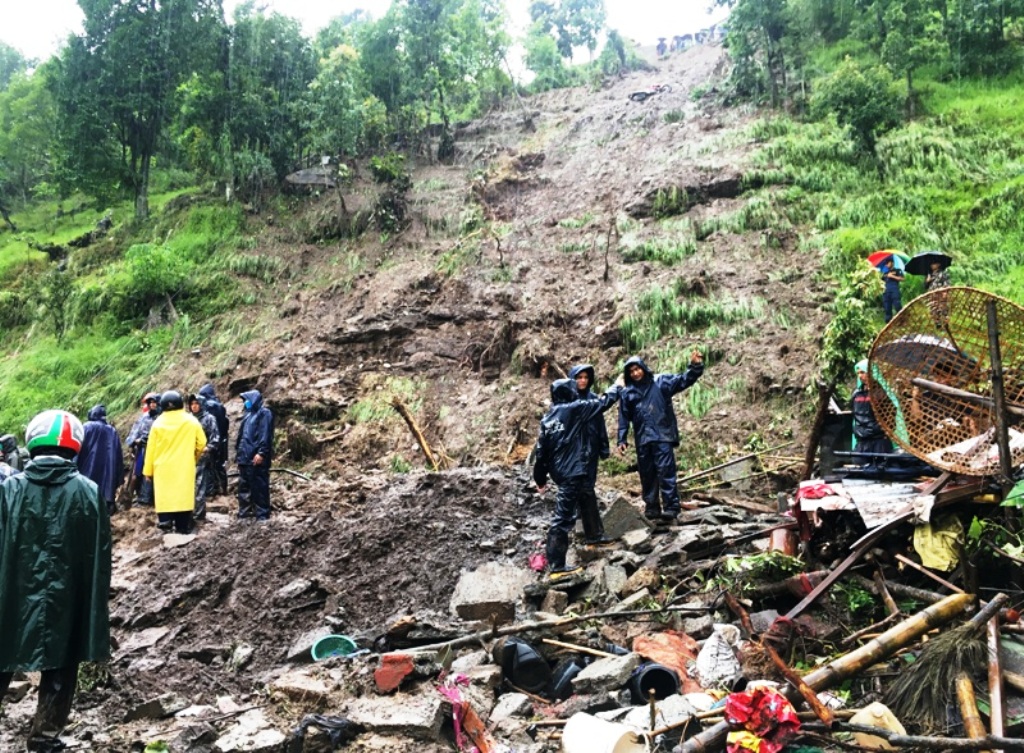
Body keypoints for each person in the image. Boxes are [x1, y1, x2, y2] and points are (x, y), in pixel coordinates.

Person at [0, 410, 111, 753]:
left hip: (11, 596)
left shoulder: (9, 490)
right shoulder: (89, 492)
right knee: (62, 662)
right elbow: (99, 556)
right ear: (74, 445)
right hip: (67, 598)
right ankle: (44, 737)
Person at [534, 378, 622, 578]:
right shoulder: (575, 408)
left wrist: (540, 479)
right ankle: (556, 566)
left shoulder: (548, 419)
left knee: (587, 496)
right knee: (563, 517)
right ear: (570, 392)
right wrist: (617, 386)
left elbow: (541, 454)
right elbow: (603, 402)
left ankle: (595, 536)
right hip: (573, 471)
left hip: (564, 471)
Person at [617, 351, 705, 522]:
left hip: (662, 435)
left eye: (637, 369)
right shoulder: (628, 393)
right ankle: (652, 507)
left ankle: (671, 507)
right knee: (647, 474)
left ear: (643, 368)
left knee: (666, 472)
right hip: (643, 439)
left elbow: (683, 380)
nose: (635, 373)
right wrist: (622, 438)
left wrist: (694, 366)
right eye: (631, 371)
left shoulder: (661, 382)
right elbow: (623, 417)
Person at [143, 391, 206, 534]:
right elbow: (202, 443)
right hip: (184, 467)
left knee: (165, 497)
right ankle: (182, 527)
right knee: (183, 497)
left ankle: (165, 522)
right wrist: (193, 458)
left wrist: (148, 471)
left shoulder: (157, 424)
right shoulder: (191, 421)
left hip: (162, 469)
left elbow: (150, 449)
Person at [568, 364, 613, 545]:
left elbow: (600, 425)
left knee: (589, 483)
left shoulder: (593, 398)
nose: (583, 381)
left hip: (591, 447)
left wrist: (604, 446)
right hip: (576, 450)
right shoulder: (569, 399)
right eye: (579, 377)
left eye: (586, 378)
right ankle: (590, 529)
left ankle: (584, 517)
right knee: (583, 487)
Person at [77, 404, 125, 515]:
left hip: (87, 472)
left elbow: (77, 449)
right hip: (108, 477)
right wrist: (119, 478)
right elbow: (118, 456)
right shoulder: (112, 431)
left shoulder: (86, 427)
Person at [236, 389, 274, 521]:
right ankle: (244, 514)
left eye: (247, 400)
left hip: (256, 458)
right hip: (245, 458)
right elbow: (241, 437)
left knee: (259, 487)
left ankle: (262, 515)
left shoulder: (264, 414)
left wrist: (261, 453)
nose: (245, 403)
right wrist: (239, 456)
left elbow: (265, 435)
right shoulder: (247, 416)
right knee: (243, 488)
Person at [852, 361, 892, 465]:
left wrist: (878, 429)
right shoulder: (857, 394)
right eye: (858, 373)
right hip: (862, 442)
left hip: (879, 442)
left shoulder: (881, 393)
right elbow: (855, 415)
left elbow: (890, 416)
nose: (860, 376)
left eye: (863, 372)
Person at [188, 393, 220, 520]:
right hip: (188, 455)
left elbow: (216, 437)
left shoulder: (209, 418)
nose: (194, 406)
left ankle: (199, 513)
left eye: (196, 404)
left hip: (203, 455)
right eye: (192, 404)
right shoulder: (188, 419)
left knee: (200, 484)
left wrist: (208, 448)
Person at [125, 392, 160, 506]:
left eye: (154, 402)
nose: (153, 405)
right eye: (151, 402)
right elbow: (135, 431)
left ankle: (148, 499)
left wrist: (145, 439)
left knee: (151, 474)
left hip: (156, 450)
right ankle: (137, 497)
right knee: (138, 474)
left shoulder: (161, 418)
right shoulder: (144, 417)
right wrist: (133, 442)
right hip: (142, 450)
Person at [198, 383, 229, 494]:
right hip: (222, 439)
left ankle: (213, 489)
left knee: (211, 465)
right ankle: (223, 489)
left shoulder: (209, 406)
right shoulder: (219, 406)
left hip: (211, 439)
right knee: (220, 465)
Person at [879, 258, 904, 322]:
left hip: (894, 290)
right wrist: (887, 275)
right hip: (886, 291)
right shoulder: (885, 273)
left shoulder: (898, 270)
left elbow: (902, 279)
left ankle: (902, 319)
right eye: (886, 263)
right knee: (887, 307)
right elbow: (880, 281)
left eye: (888, 263)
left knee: (897, 305)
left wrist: (892, 276)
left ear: (892, 262)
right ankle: (888, 322)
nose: (887, 264)